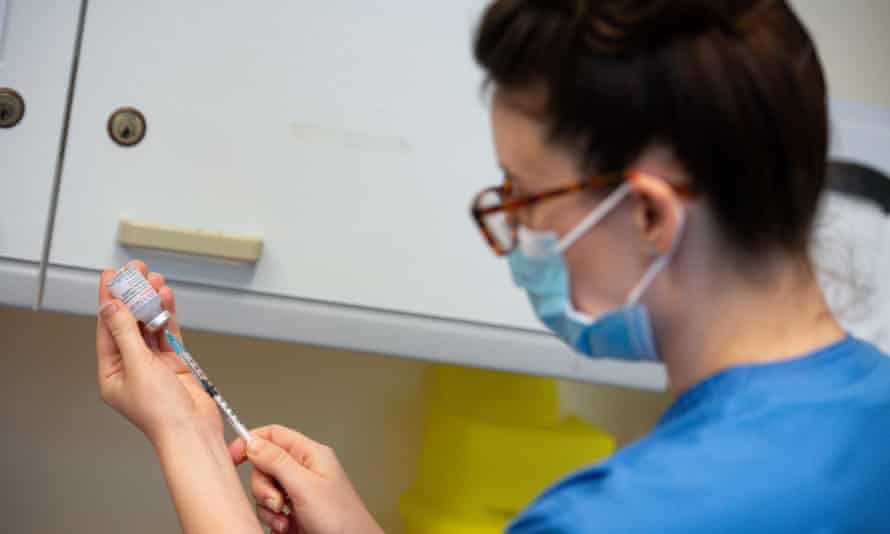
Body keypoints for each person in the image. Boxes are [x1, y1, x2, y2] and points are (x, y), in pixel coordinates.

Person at [95, 1, 890, 533]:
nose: (518, 234)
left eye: (528, 195)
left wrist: (187, 434)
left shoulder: (612, 518)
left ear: (650, 215)